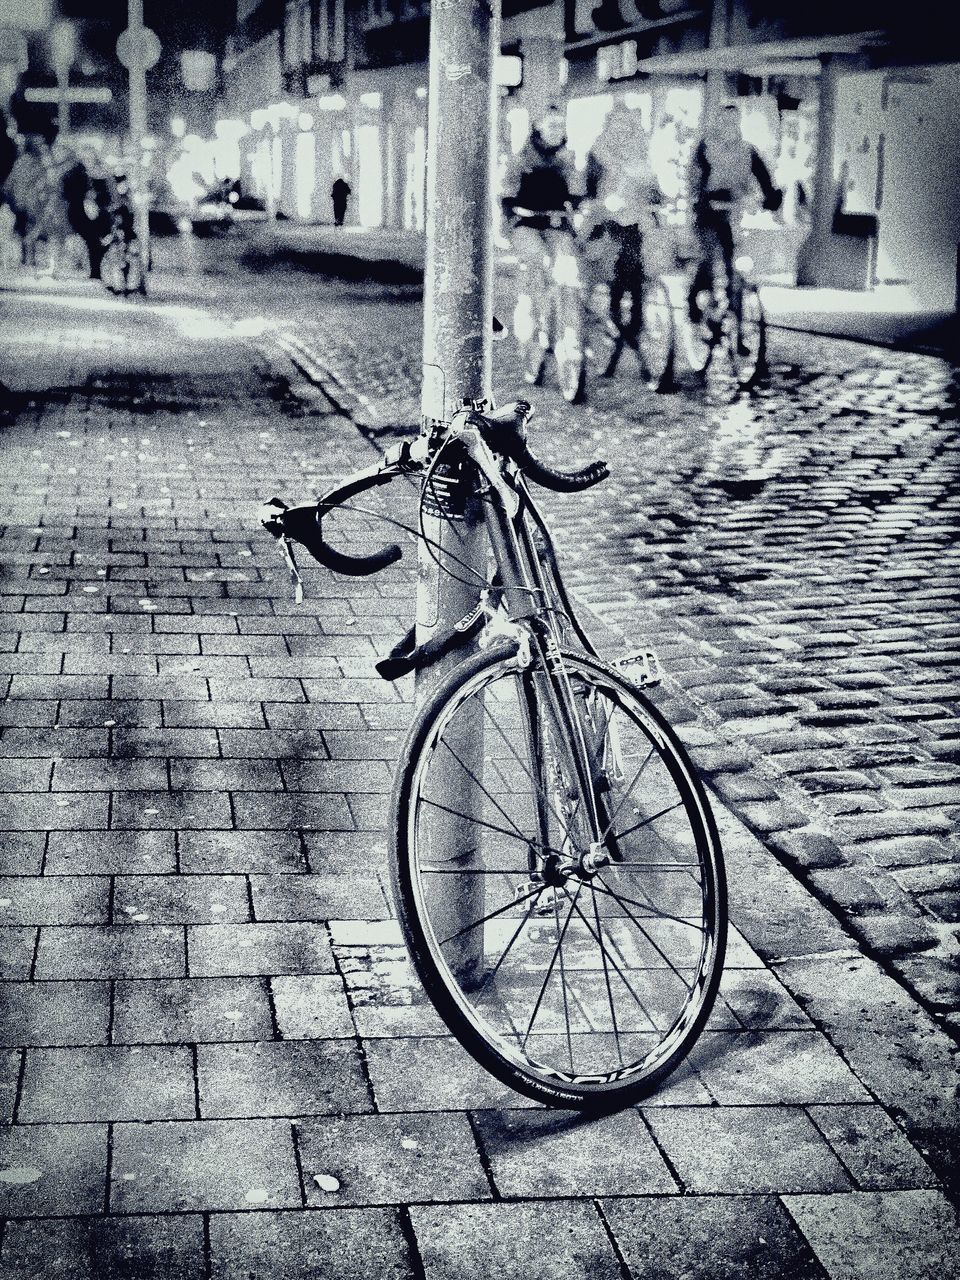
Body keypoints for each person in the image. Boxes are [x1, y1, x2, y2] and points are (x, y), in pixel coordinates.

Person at [686, 102, 781, 321]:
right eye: (724, 120)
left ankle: (735, 320)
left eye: (733, 120)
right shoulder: (706, 147)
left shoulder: (747, 150)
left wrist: (771, 197)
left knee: (734, 263)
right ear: (717, 122)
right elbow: (694, 178)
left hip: (734, 214)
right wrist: (699, 201)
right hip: (708, 212)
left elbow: (763, 176)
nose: (728, 124)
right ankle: (695, 298)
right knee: (709, 260)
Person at [500, 104, 585, 346]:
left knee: (567, 268)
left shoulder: (568, 158)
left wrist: (578, 204)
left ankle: (567, 329)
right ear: (539, 127)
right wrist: (509, 216)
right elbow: (507, 193)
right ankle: (530, 308)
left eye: (561, 125)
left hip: (557, 223)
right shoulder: (523, 158)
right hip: (526, 222)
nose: (557, 130)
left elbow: (577, 193)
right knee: (536, 260)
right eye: (552, 125)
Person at [581, 106, 664, 347]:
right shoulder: (598, 153)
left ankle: (635, 320)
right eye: (617, 123)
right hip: (605, 219)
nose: (622, 129)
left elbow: (651, 182)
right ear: (609, 126)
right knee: (617, 262)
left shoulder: (640, 152)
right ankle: (614, 315)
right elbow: (588, 187)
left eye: (626, 124)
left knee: (639, 263)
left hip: (635, 217)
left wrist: (659, 199)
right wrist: (597, 203)